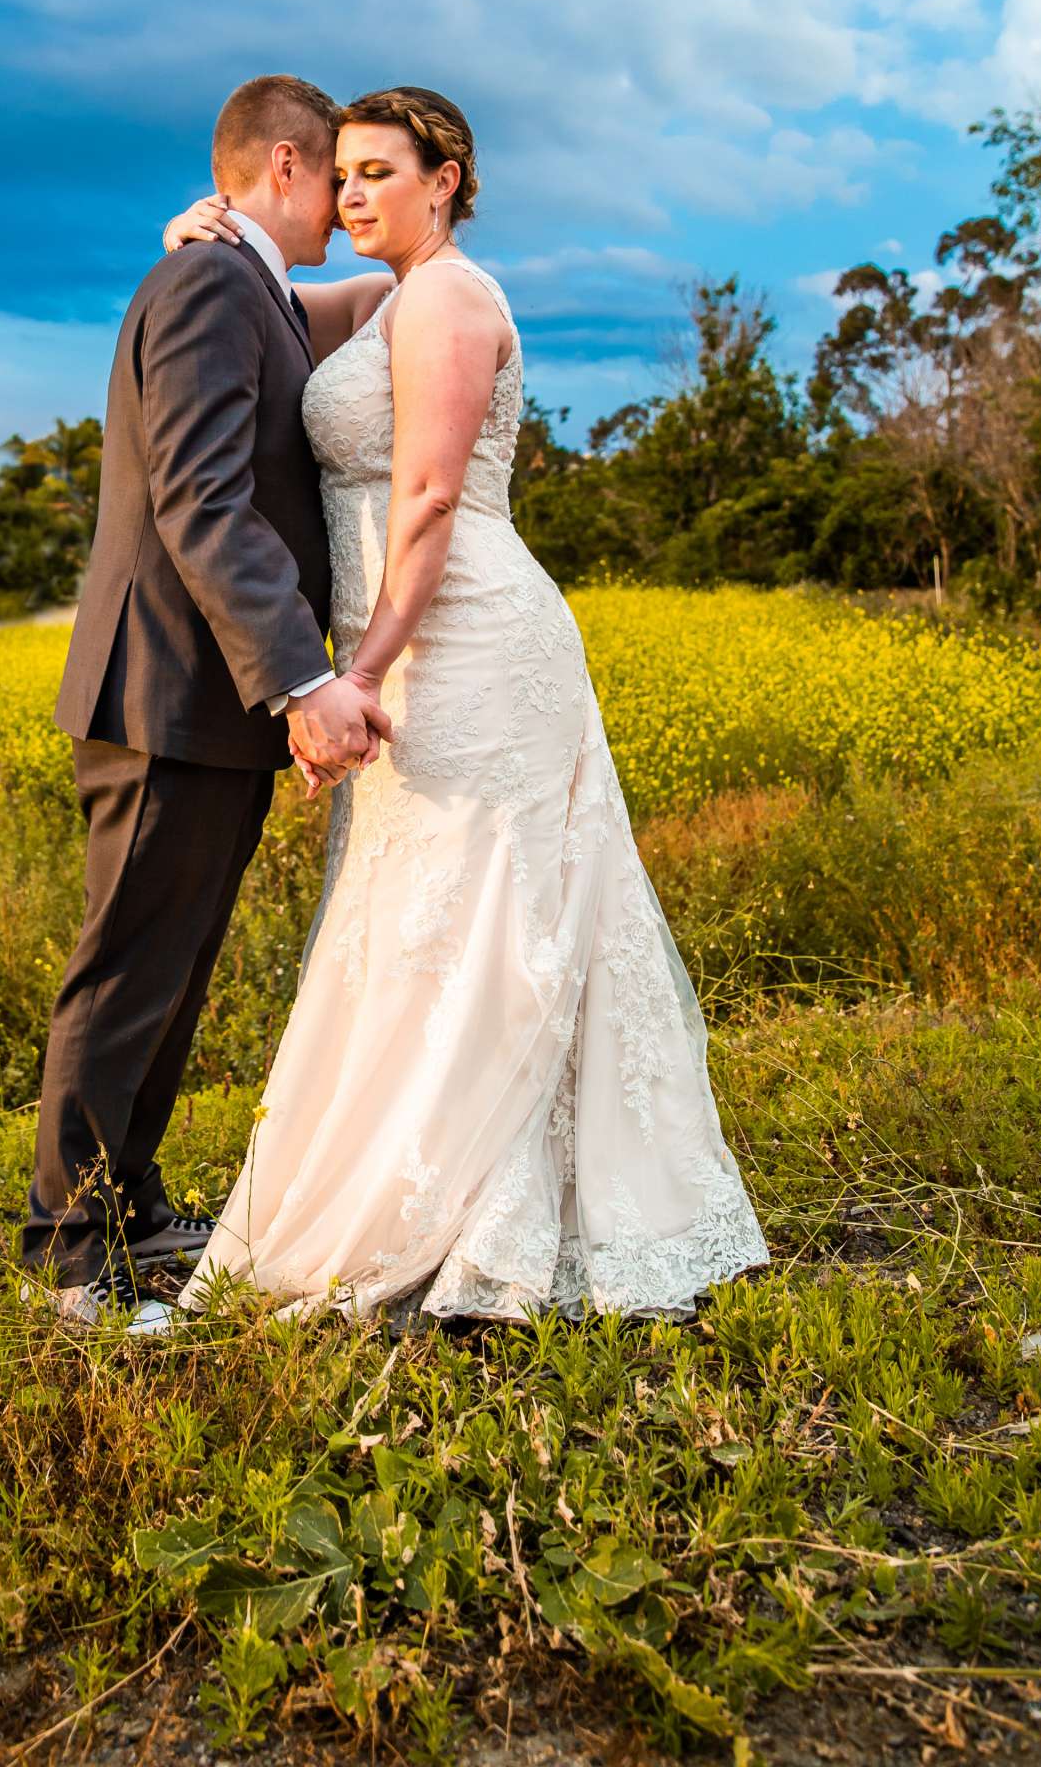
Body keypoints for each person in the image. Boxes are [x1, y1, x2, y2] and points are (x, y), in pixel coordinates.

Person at [156, 87, 768, 1324]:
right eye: (342, 176)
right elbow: (279, 302)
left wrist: (363, 672)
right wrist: (205, 228)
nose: (355, 194)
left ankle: (484, 1208)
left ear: (446, 179)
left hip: (464, 637)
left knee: (486, 909)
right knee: (420, 910)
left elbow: (429, 498)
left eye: (380, 171)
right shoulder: (385, 296)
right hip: (411, 640)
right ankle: (424, 1184)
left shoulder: (446, 297)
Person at [25, 74, 391, 1321]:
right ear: (283, 164)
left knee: (173, 970)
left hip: (206, 703)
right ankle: (75, 1255)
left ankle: (128, 1203)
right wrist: (299, 673)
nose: (345, 203)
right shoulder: (209, 284)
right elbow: (199, 498)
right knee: (129, 966)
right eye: (332, 173)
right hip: (166, 689)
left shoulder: (251, 285)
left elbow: (392, 285)